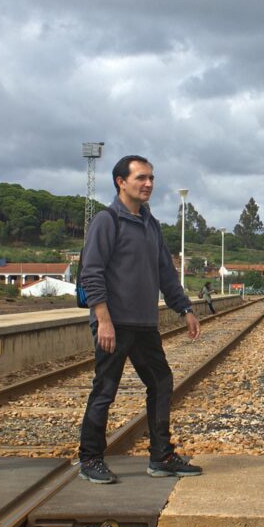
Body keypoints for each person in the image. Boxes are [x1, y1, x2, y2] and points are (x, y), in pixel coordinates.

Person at [78, 155, 202, 484]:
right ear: (121, 182)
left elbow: (165, 272)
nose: (148, 183)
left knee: (161, 382)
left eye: (151, 178)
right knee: (105, 389)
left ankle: (161, 455)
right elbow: (91, 273)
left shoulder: (150, 223)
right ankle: (90, 458)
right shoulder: (107, 220)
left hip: (144, 324)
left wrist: (185, 308)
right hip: (114, 323)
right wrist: (102, 319)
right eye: (141, 178)